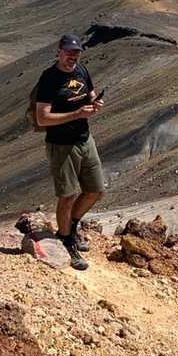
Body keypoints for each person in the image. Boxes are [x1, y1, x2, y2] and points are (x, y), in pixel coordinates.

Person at [33, 33, 105, 270]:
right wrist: (76, 114)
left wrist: (95, 103)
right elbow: (42, 118)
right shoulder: (49, 78)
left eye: (76, 52)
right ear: (59, 52)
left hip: (85, 139)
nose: (72, 56)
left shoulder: (81, 71)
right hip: (61, 145)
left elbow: (90, 94)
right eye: (69, 52)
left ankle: (71, 227)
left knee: (95, 190)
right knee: (67, 195)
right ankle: (66, 240)